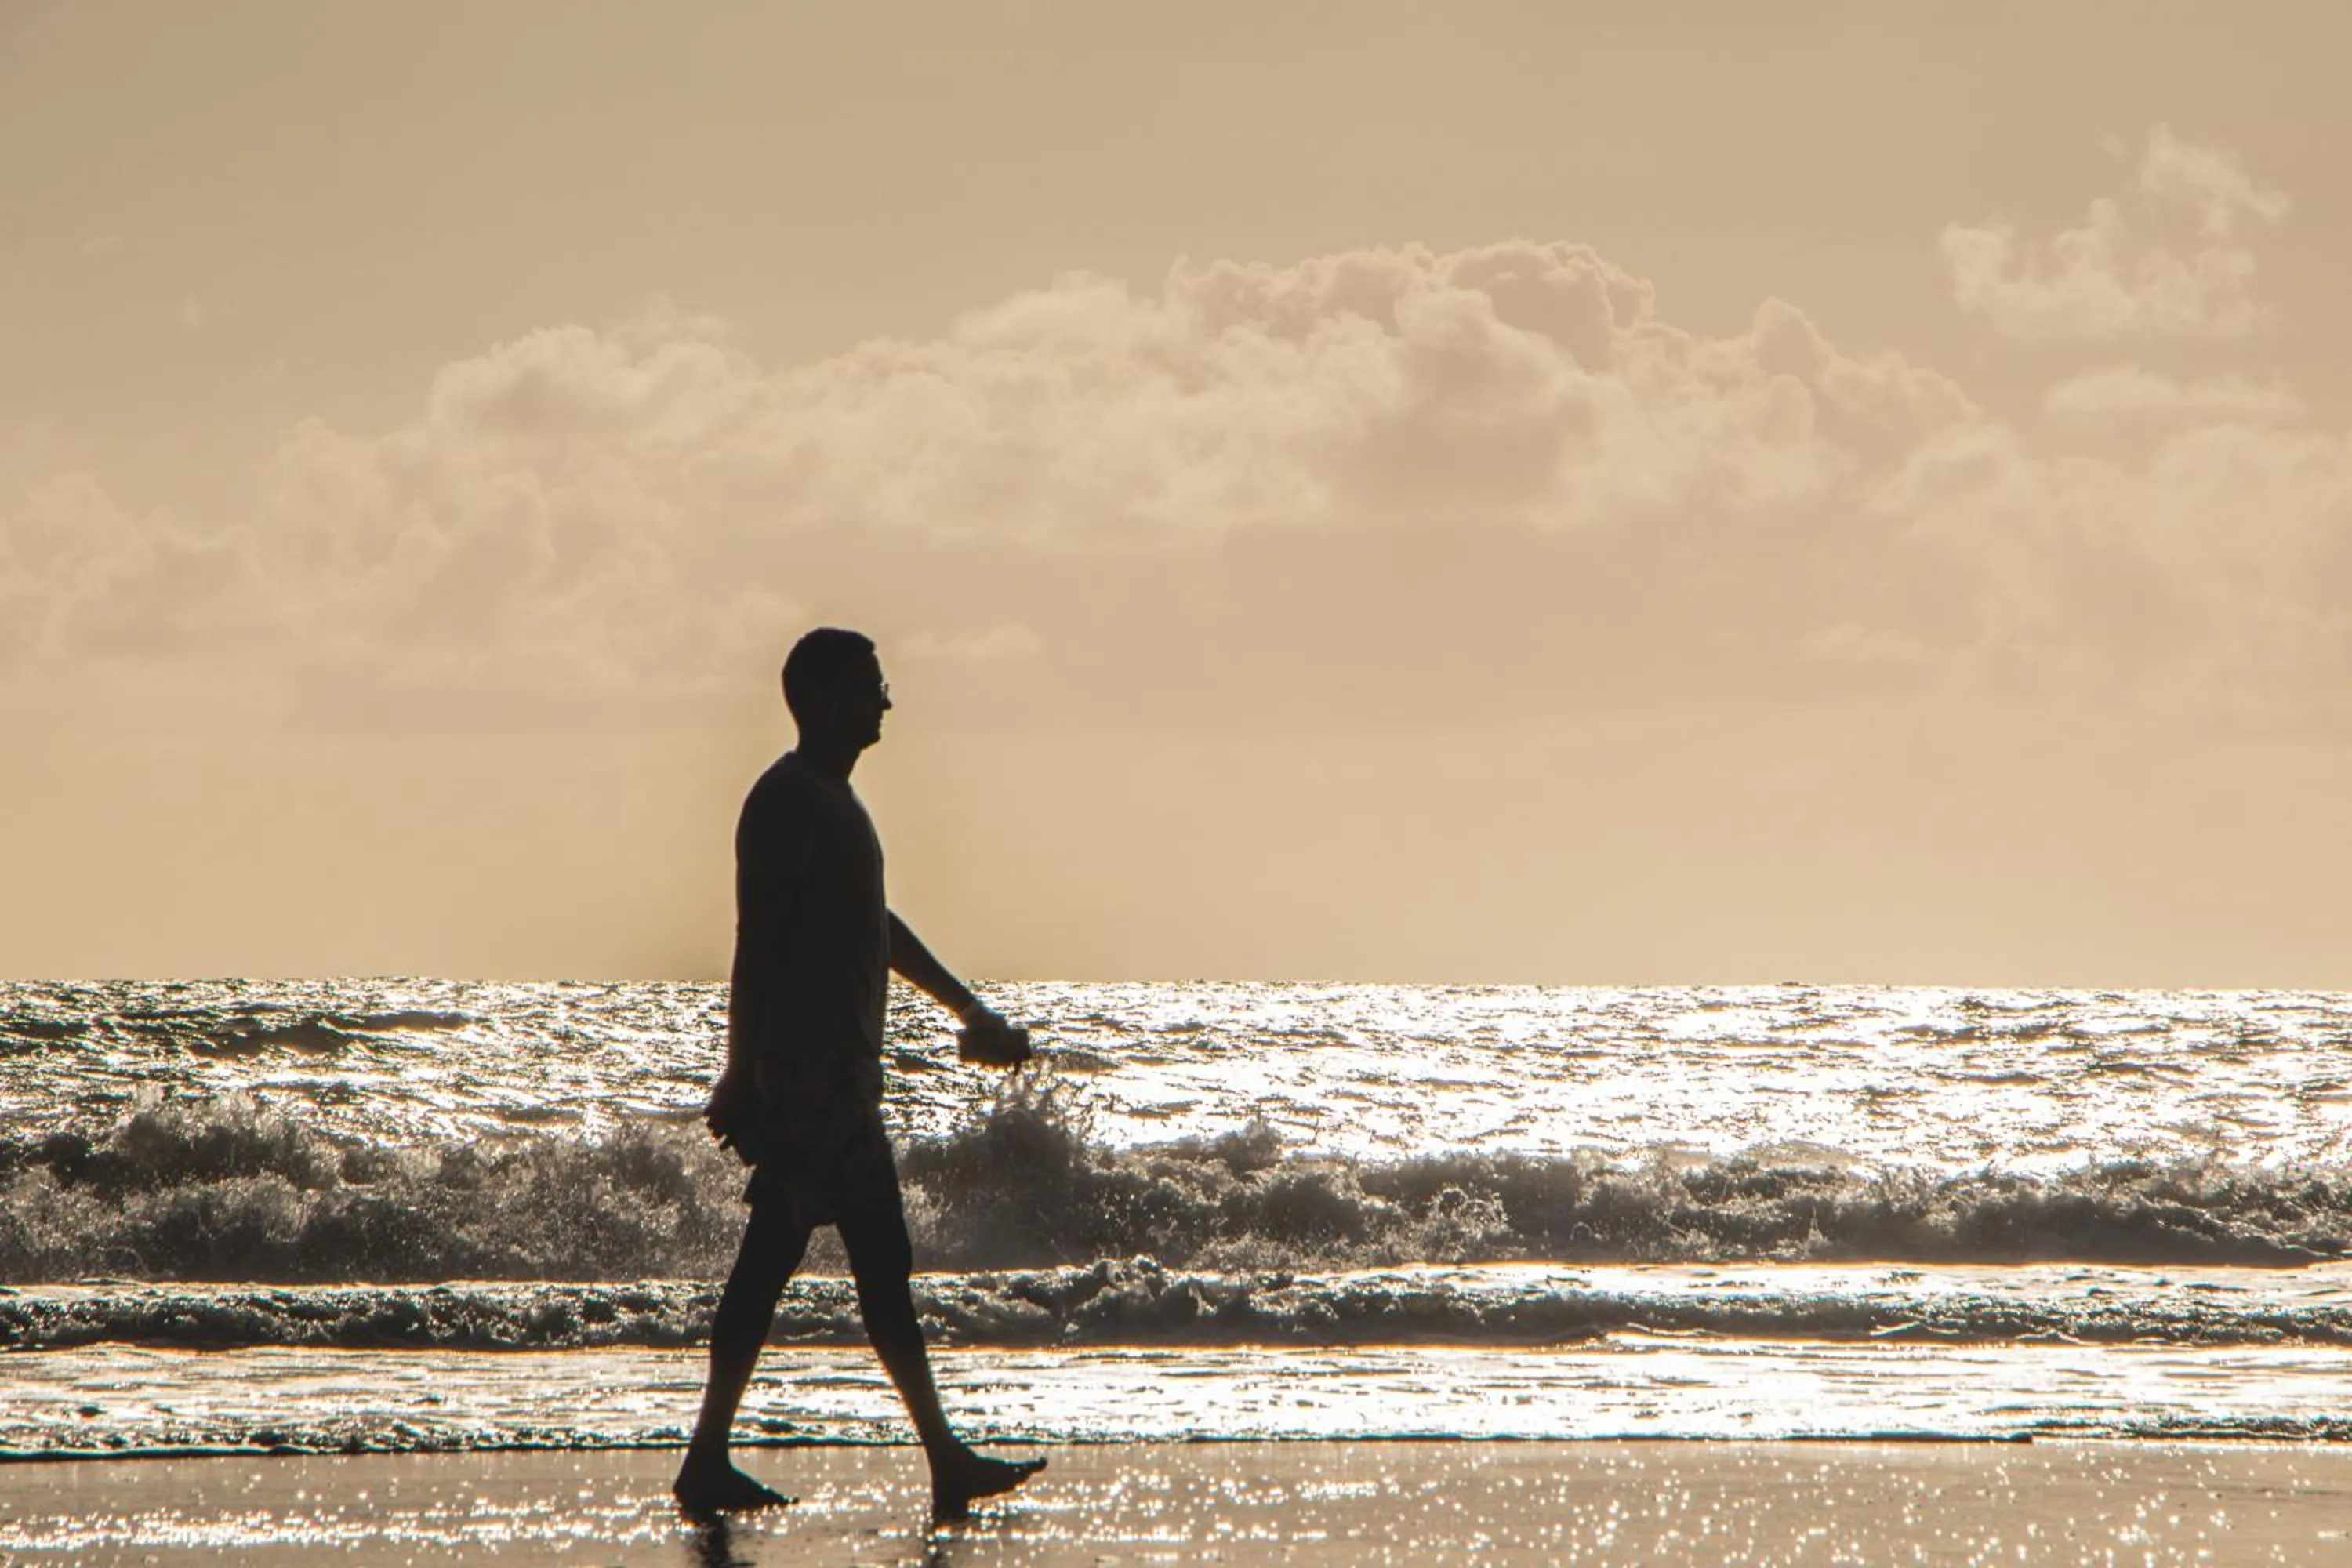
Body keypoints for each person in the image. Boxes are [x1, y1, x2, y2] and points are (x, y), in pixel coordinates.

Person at [674, 627, 1045, 1522]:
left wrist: (969, 1008)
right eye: (870, 687)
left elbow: (877, 929)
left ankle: (938, 1454)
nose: (885, 703)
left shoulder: (838, 804)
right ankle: (708, 1456)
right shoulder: (788, 801)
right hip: (804, 1081)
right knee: (778, 1263)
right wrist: (740, 1072)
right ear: (823, 698)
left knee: (874, 1267)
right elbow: (756, 940)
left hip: (842, 1085)